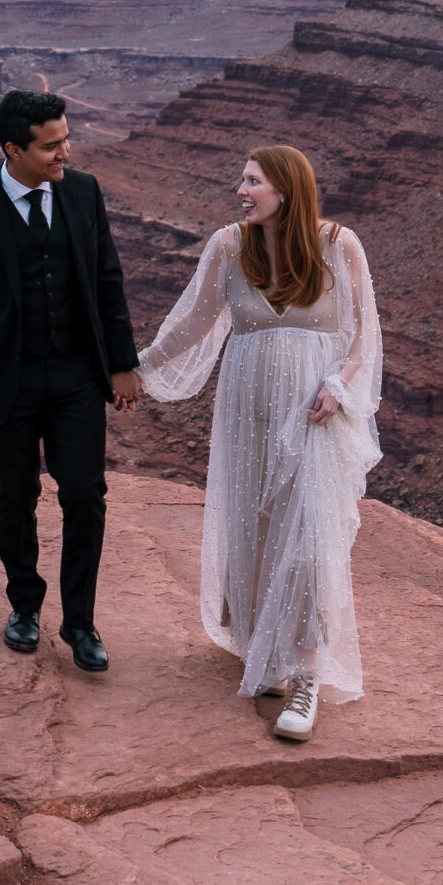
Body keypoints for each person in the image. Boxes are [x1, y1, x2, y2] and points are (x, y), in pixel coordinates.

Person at [135, 144, 380, 740]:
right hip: (245, 414)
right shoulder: (229, 245)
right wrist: (133, 366)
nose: (241, 192)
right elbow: (193, 322)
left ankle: (306, 679)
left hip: (312, 413)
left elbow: (362, 335)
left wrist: (338, 388)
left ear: (287, 190)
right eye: (242, 181)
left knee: (308, 533)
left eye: (253, 182)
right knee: (254, 524)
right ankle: (265, 652)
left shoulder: (338, 245)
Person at [0, 89, 142, 673]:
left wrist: (122, 362)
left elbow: (107, 279)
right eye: (51, 145)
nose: (64, 152)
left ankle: (80, 621)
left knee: (84, 494)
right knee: (15, 497)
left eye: (66, 139)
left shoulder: (83, 192)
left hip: (75, 375)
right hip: (7, 382)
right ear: (13, 149)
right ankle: (24, 605)